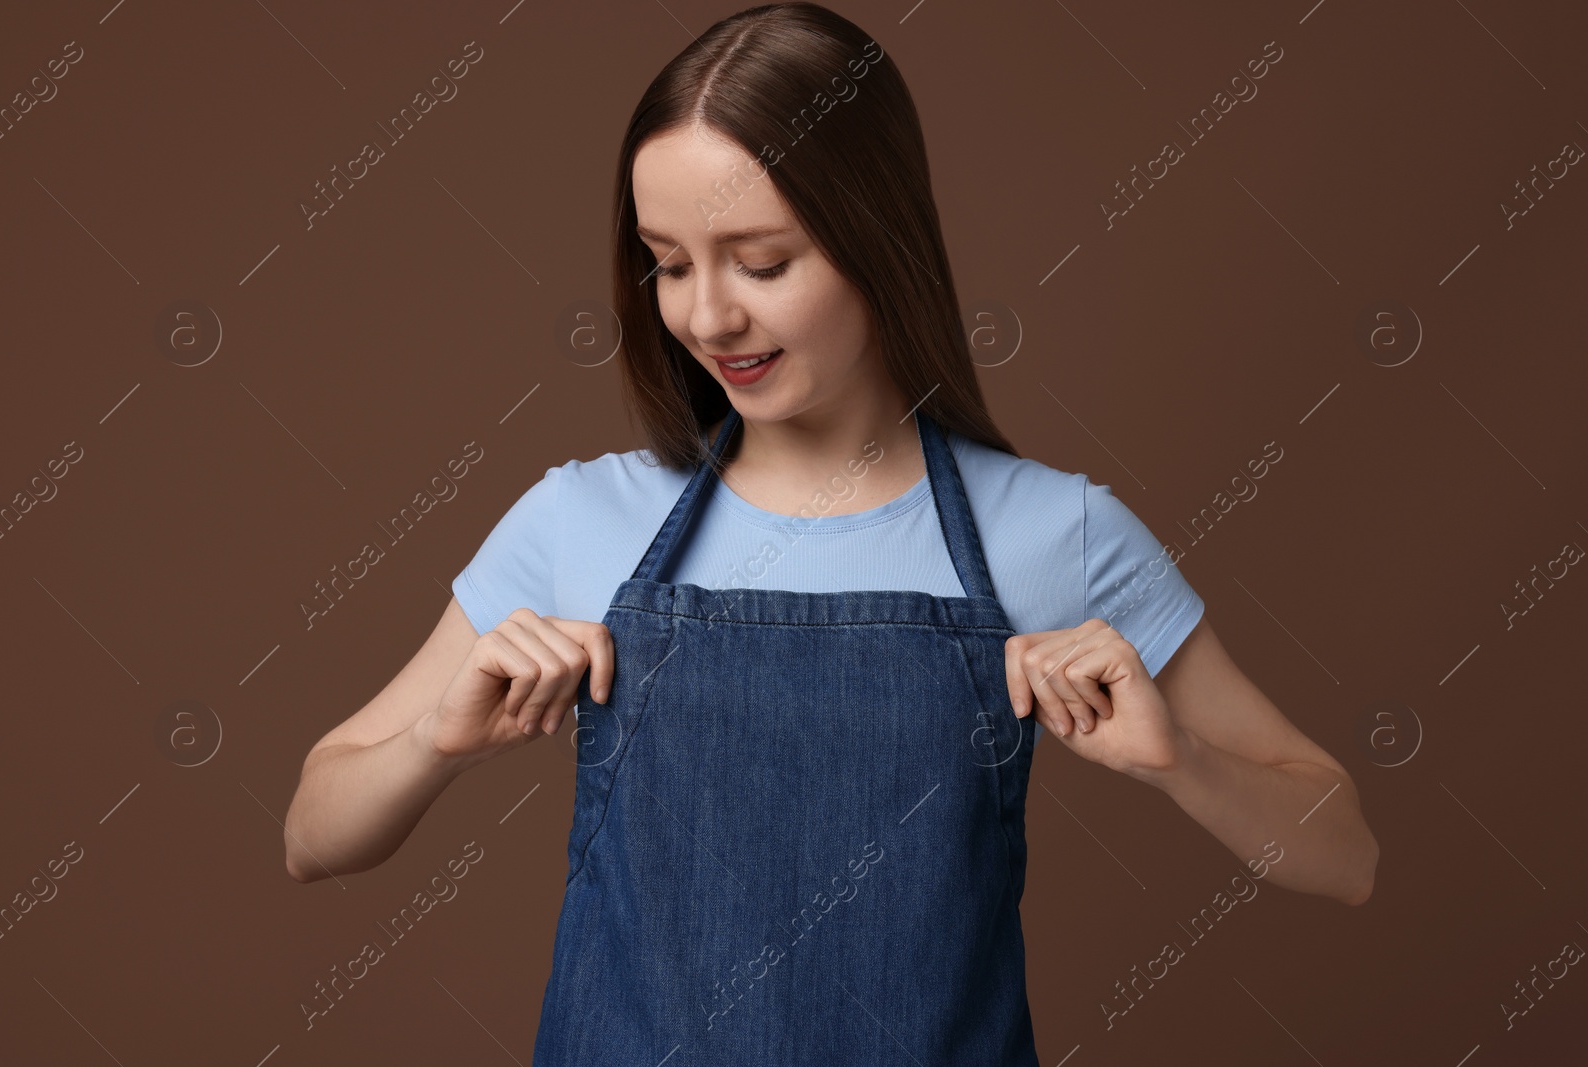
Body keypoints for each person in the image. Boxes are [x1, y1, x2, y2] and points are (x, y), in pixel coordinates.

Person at [284, 3, 1377, 1060]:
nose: (708, 315)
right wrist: (437, 738)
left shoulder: (1054, 533)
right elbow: (312, 834)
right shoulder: (584, 518)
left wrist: (1180, 761)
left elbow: (1345, 854)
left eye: (761, 263)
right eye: (669, 263)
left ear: (876, 236)